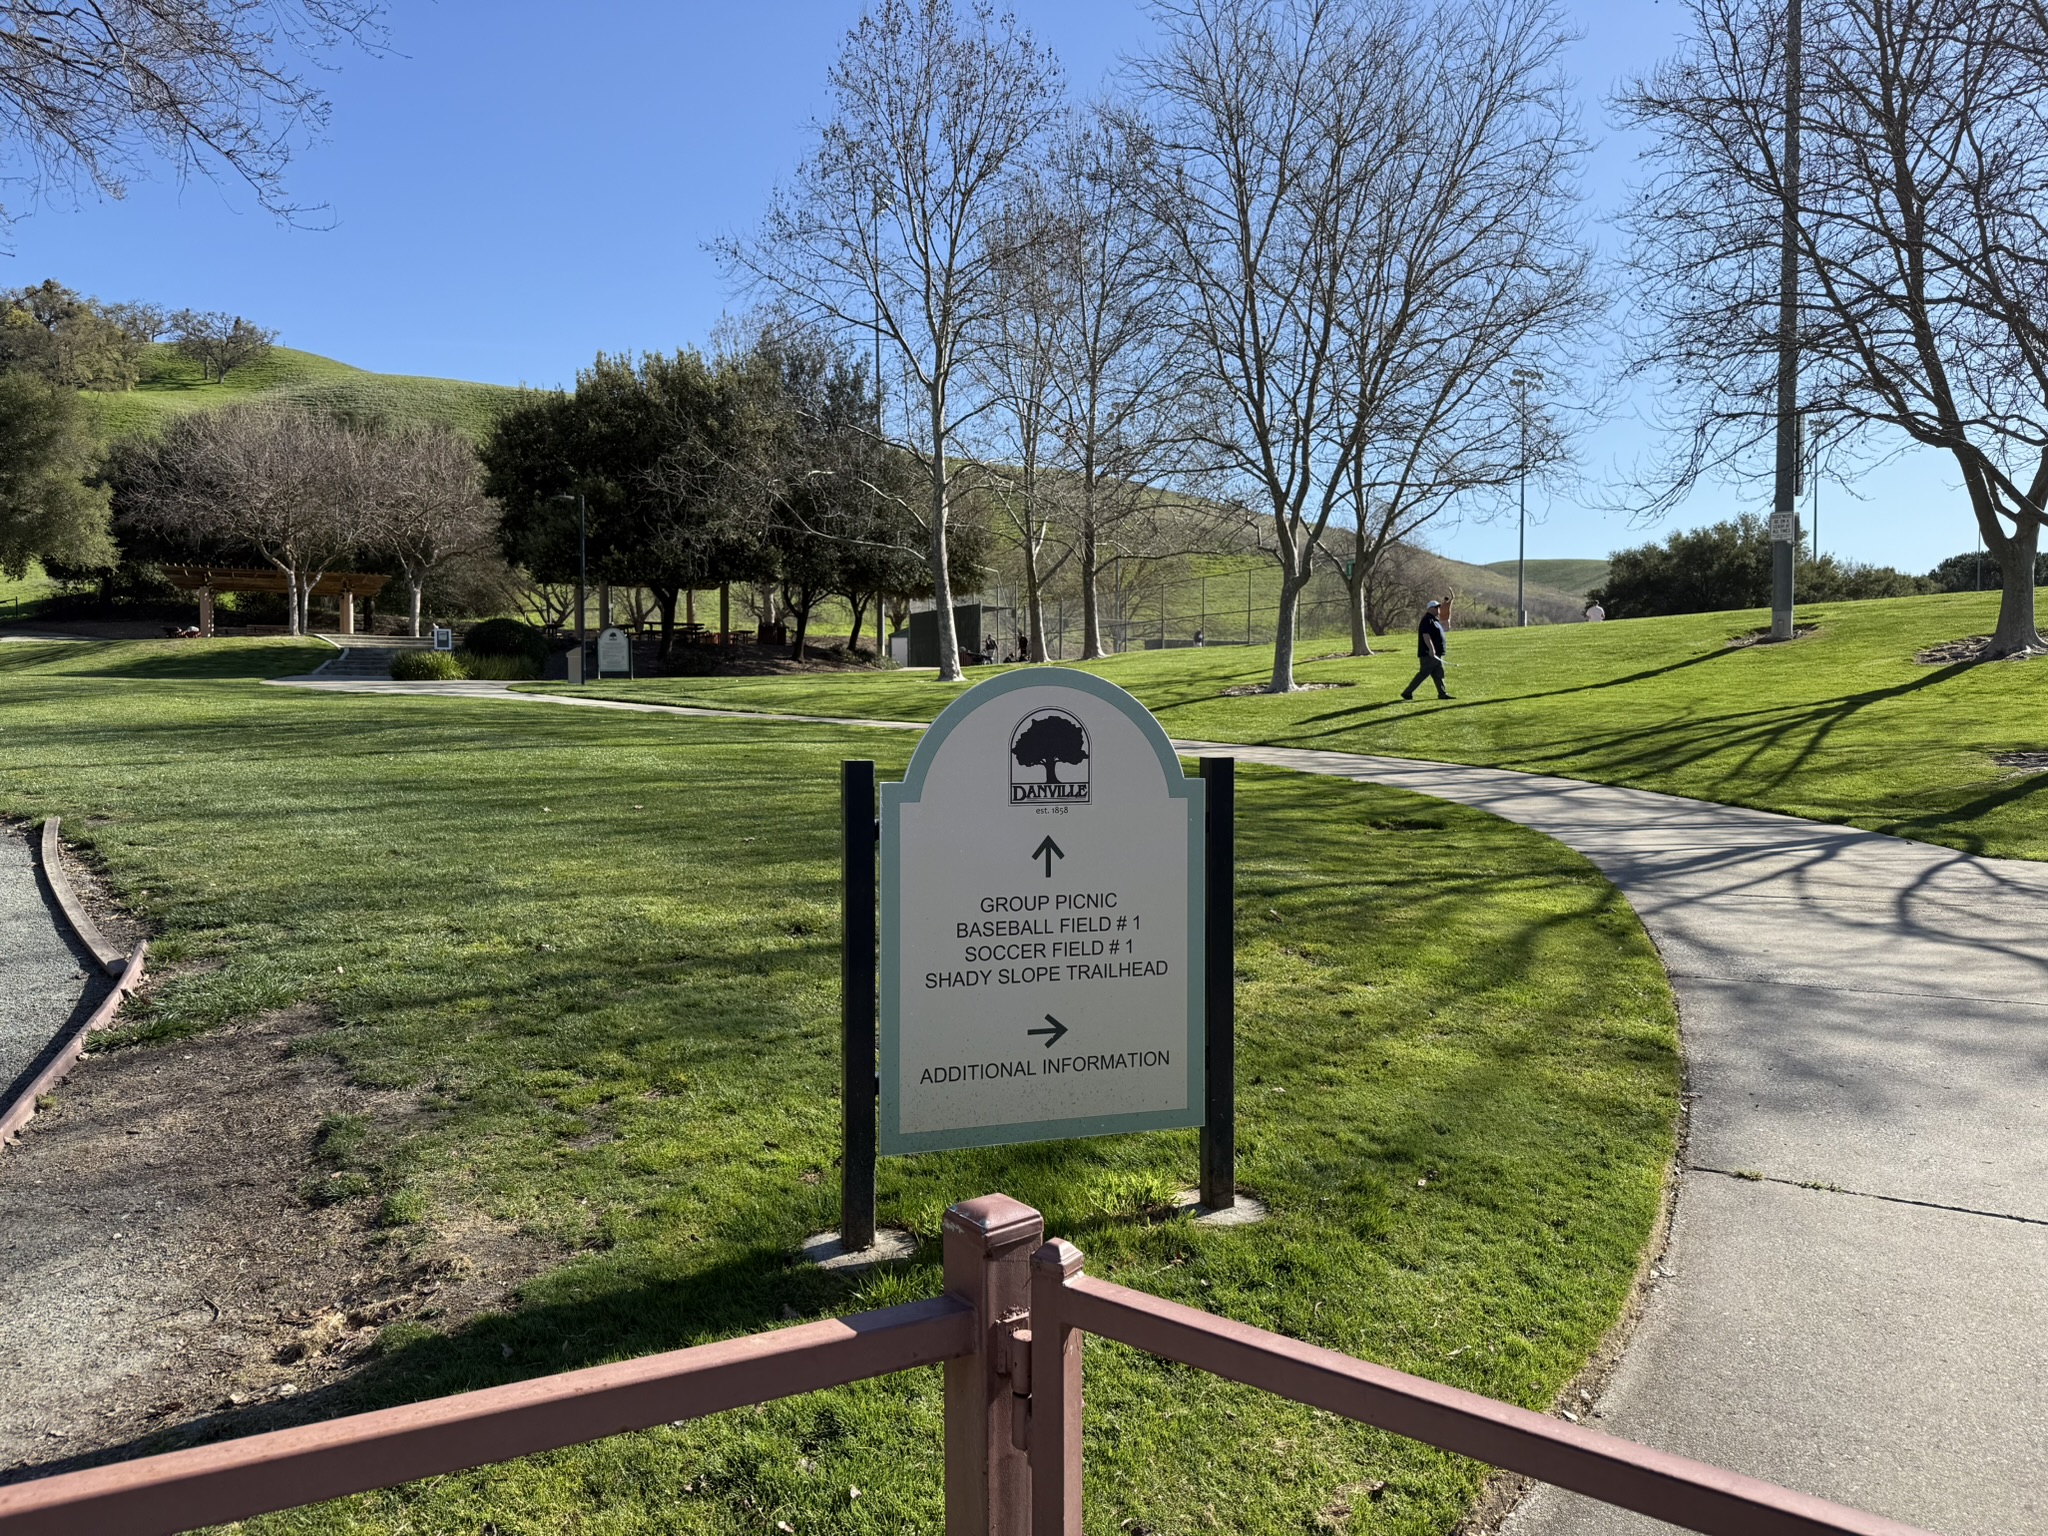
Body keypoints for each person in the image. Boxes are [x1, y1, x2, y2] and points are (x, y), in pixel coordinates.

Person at [1402, 598, 1453, 701]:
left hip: (1436, 653)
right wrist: (1431, 649)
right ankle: (1407, 692)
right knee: (1423, 674)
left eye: (1438, 607)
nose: (1438, 609)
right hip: (1429, 654)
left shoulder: (1434, 620)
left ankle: (1442, 693)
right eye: (1436, 608)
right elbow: (1426, 635)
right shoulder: (1427, 620)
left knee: (1438, 673)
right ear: (1430, 609)